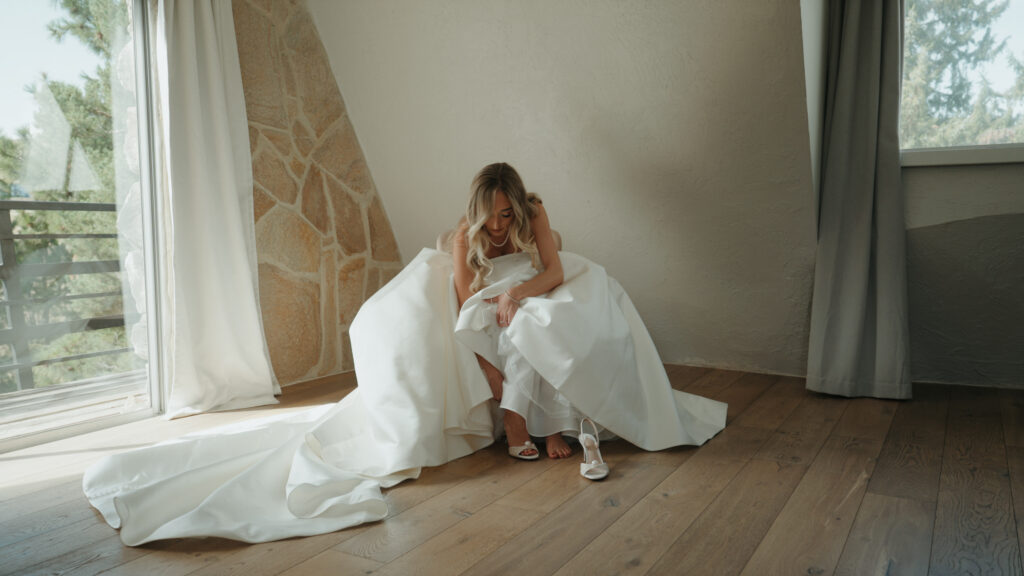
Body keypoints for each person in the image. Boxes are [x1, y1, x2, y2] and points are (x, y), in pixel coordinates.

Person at [82, 162, 727, 546]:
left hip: (535, 289)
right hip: (483, 303)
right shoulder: (465, 242)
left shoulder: (535, 215)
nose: (501, 227)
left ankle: (549, 422)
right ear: (477, 213)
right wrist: (494, 352)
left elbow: (554, 269)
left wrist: (520, 295)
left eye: (507, 214)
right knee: (504, 326)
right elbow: (464, 307)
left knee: (540, 317)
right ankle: (517, 419)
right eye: (492, 217)